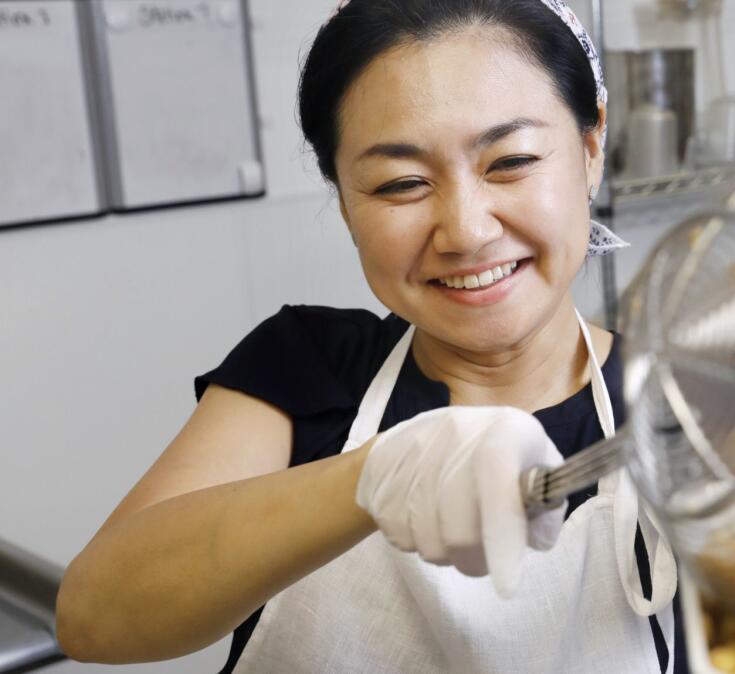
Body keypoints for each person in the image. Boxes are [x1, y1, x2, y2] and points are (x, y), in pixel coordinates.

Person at [55, 1, 682, 671]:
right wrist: (371, 479)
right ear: (345, 203)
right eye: (402, 183)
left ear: (591, 151)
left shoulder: (683, 407)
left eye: (510, 161)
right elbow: (96, 616)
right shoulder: (305, 367)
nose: (467, 231)